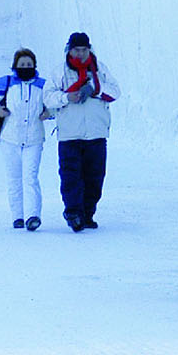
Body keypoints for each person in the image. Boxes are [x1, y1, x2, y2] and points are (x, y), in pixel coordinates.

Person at [45, 31, 120, 232]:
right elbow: (48, 98)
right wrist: (66, 98)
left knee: (95, 177)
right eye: (77, 50)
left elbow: (115, 91)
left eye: (84, 50)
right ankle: (73, 213)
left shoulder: (99, 70)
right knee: (71, 177)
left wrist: (94, 88)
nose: (80, 54)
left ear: (89, 49)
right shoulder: (59, 72)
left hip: (96, 133)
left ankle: (88, 214)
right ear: (70, 50)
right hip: (70, 134)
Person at [0, 49, 50, 230]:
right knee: (14, 178)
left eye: (29, 64)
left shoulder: (43, 85)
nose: (25, 67)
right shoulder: (7, 83)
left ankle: (33, 215)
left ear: (34, 65)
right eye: (22, 65)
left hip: (34, 139)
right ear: (15, 66)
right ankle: (17, 216)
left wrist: (49, 113)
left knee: (31, 178)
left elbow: (55, 103)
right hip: (10, 138)